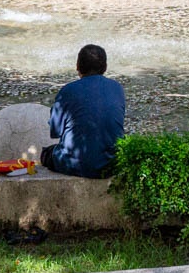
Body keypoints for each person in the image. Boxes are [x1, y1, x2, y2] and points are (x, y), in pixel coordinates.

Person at [41, 44, 126, 178]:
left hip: (75, 164)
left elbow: (55, 131)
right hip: (111, 164)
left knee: (47, 154)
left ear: (78, 67)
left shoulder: (68, 91)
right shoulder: (117, 88)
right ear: (105, 67)